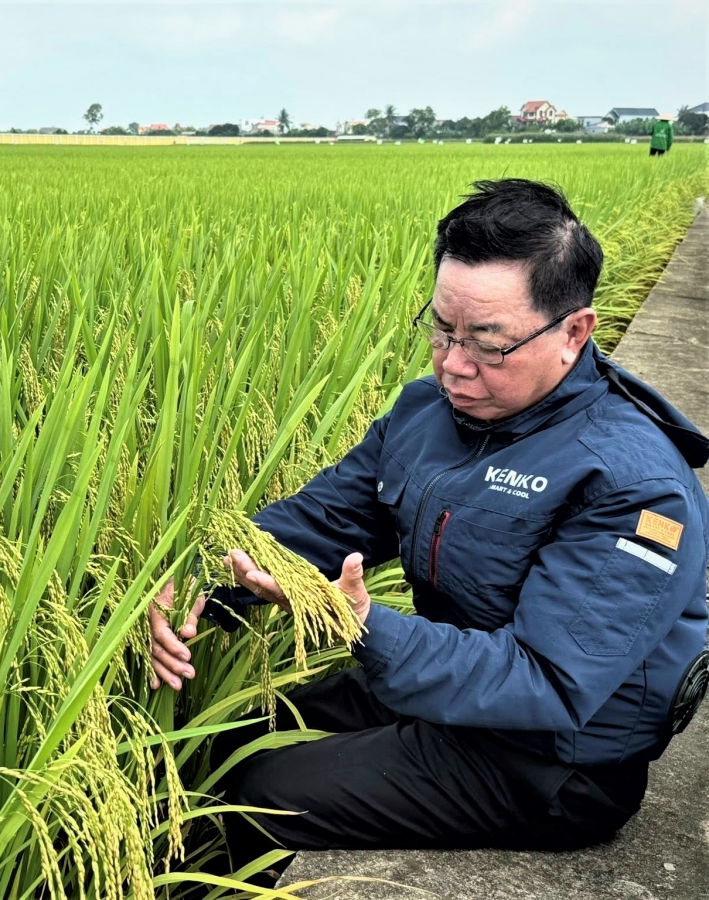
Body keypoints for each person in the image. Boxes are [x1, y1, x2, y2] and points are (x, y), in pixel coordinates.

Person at [148, 179, 709, 883]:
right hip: (446, 685)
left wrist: (363, 627)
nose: (453, 364)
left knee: (262, 794)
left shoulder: (635, 486)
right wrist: (195, 583)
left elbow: (550, 683)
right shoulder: (428, 413)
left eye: (488, 344)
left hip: (552, 760)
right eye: (442, 329)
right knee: (237, 725)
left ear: (574, 333)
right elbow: (325, 521)